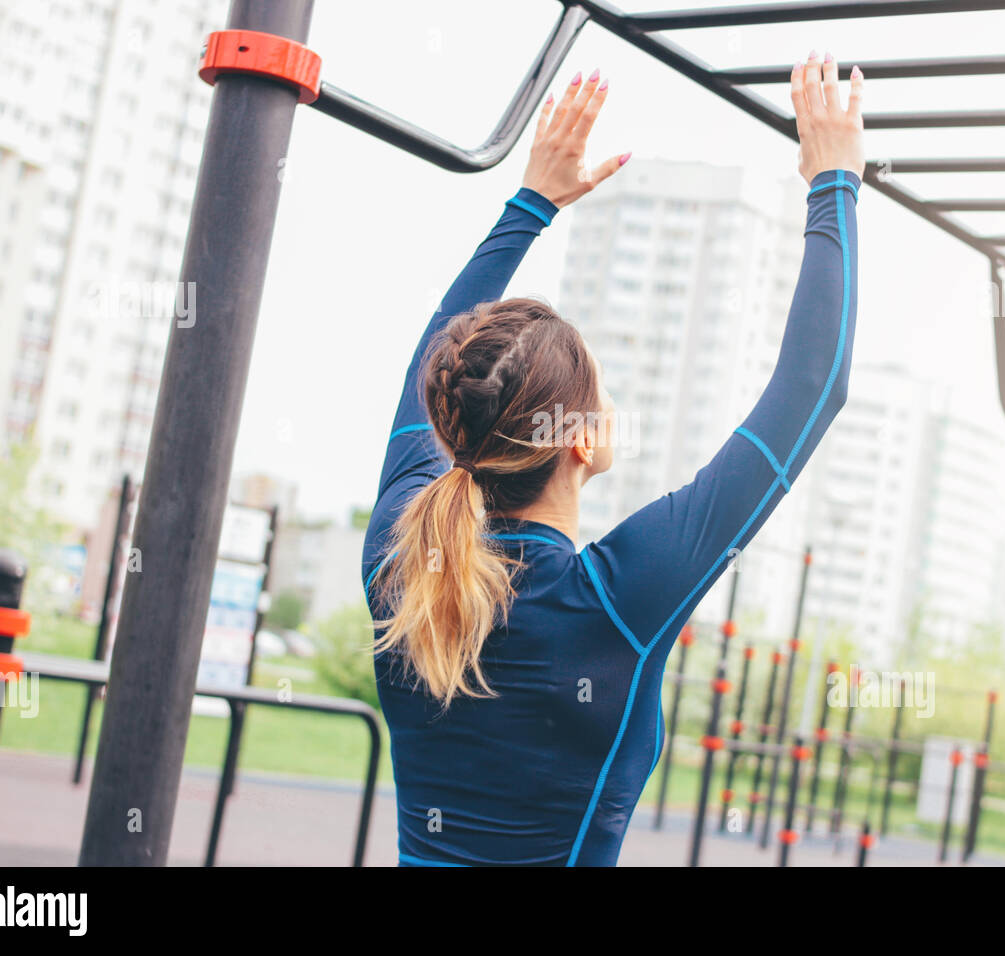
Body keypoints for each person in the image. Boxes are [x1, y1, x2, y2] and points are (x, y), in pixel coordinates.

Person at [363, 53, 864, 866]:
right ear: (580, 441)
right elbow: (816, 384)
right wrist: (833, 181)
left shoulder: (400, 550)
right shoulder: (617, 599)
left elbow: (815, 386)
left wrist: (530, 204)